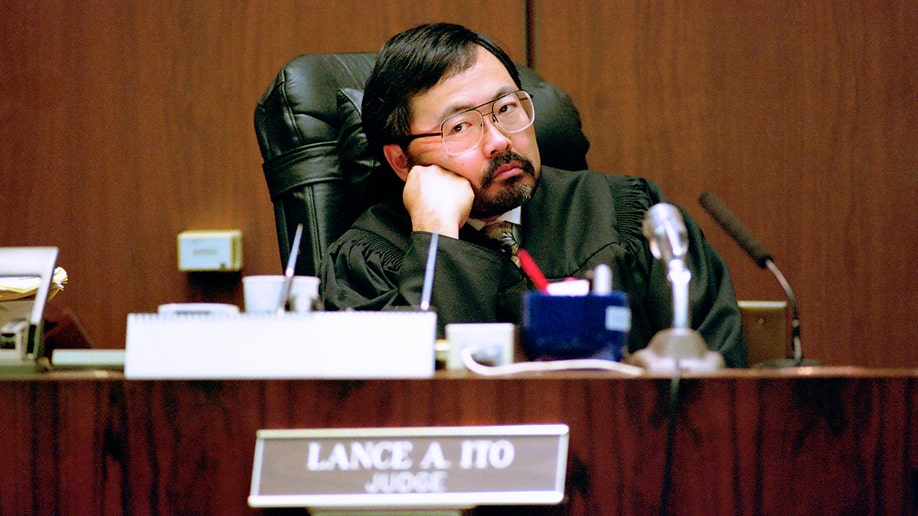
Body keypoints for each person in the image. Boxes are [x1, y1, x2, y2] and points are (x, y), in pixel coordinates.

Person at [319, 23, 748, 367]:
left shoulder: (625, 213)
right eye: (461, 127)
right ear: (401, 161)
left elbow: (721, 368)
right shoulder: (367, 260)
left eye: (507, 109)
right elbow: (396, 403)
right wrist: (436, 236)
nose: (500, 141)